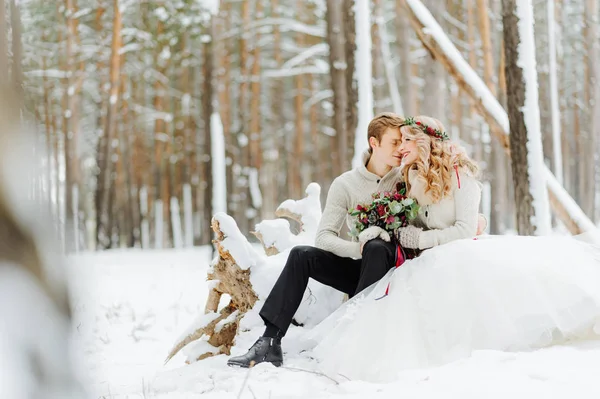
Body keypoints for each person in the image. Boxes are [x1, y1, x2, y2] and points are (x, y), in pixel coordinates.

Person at [305, 116, 600, 382]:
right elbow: (406, 220)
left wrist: (422, 240)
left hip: (459, 253)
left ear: (424, 142)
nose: (401, 148)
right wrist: (384, 230)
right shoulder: (410, 178)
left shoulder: (461, 175)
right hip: (427, 260)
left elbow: (464, 228)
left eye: (407, 140)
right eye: (399, 140)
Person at [227, 112, 408, 368]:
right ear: (374, 143)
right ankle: (269, 342)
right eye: (394, 142)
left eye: (404, 142)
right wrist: (358, 248)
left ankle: (355, 336)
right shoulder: (346, 184)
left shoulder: (406, 180)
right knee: (301, 255)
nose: (401, 148)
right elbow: (324, 238)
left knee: (379, 248)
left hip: (396, 272)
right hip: (360, 270)